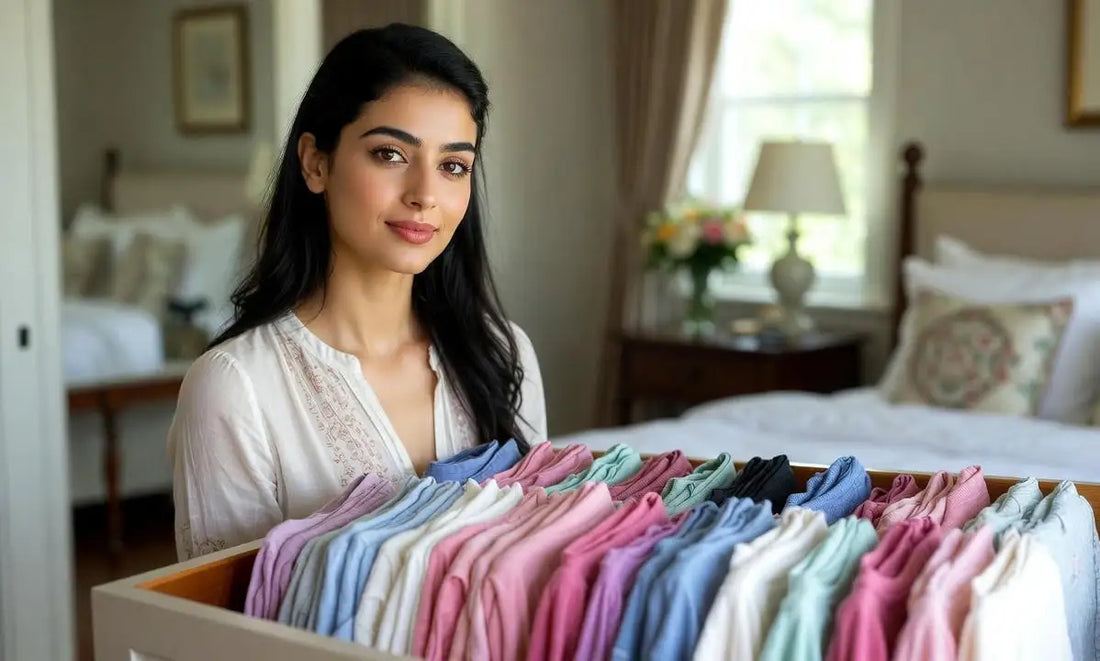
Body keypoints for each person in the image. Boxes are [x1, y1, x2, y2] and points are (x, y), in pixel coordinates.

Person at [167, 24, 547, 561]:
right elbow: (230, 621)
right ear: (315, 162)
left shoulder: (504, 354)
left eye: (453, 166)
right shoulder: (234, 389)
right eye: (391, 154)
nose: (424, 195)